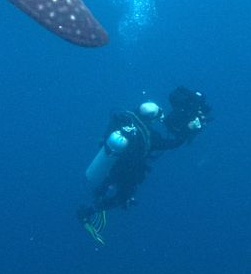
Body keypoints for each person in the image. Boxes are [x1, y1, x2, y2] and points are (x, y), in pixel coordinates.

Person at [77, 86, 213, 244]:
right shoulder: (150, 136)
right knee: (123, 197)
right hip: (127, 171)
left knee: (111, 176)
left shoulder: (124, 117)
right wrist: (188, 131)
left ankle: (99, 192)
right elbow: (172, 144)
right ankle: (88, 212)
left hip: (113, 160)